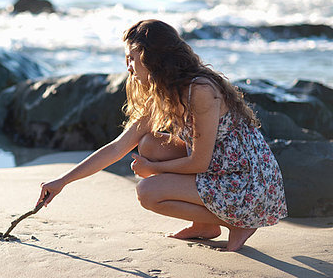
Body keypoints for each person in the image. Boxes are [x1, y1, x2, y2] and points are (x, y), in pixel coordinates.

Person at [37, 19, 287, 252]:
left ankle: (239, 223)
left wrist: (153, 170)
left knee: (148, 191)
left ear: (152, 58)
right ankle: (204, 226)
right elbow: (116, 148)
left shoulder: (199, 90)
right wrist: (61, 182)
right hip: (219, 168)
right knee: (150, 144)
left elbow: (200, 163)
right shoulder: (161, 92)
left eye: (132, 58)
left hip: (247, 182)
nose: (128, 67)